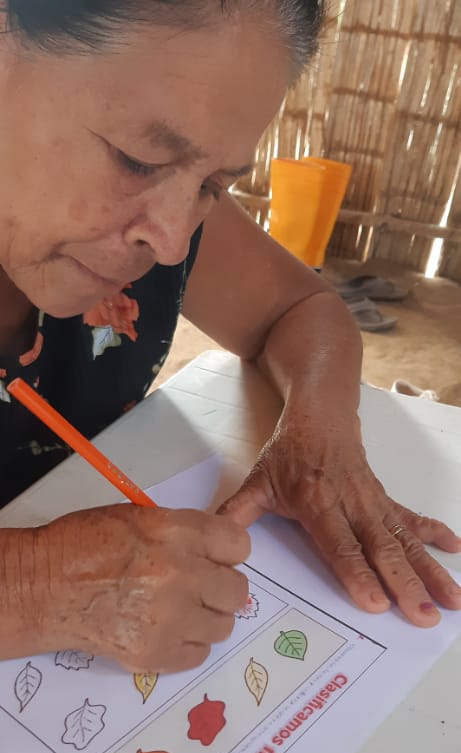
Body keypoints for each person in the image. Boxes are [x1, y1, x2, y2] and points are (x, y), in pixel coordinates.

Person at [0, 0, 459, 674]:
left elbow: (301, 307)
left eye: (213, 184)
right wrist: (32, 587)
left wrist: (319, 441)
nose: (171, 243)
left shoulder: (165, 216)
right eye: (138, 160)